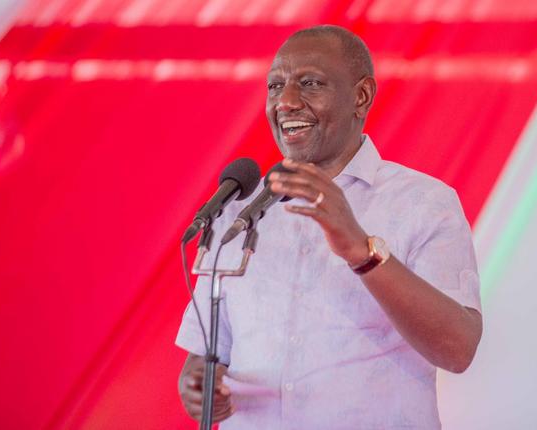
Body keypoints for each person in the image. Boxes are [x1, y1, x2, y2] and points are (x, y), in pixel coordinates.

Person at [176, 25, 482, 429]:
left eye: (310, 83)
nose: (285, 102)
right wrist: (197, 383)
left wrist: (361, 250)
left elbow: (457, 348)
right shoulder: (241, 213)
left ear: (361, 96)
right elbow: (207, 353)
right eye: (275, 86)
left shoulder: (424, 203)